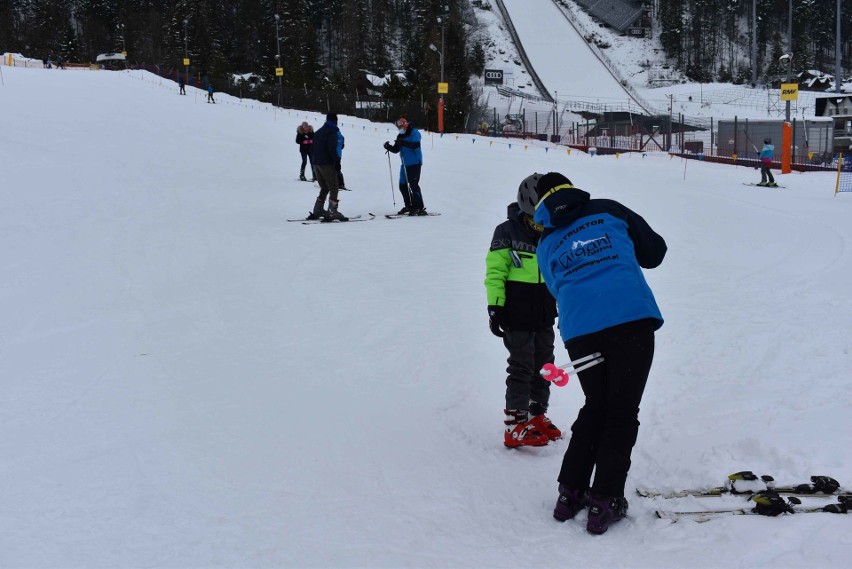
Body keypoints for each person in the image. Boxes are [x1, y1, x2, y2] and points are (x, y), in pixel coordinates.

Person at [532, 172, 666, 534]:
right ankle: (605, 500)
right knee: (620, 411)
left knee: (597, 406)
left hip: (581, 331)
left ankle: (569, 493)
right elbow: (655, 252)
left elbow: (555, 289)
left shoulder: (544, 242)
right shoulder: (609, 210)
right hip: (629, 318)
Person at [485, 173, 560, 449]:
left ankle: (536, 414)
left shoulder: (553, 232)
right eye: (533, 219)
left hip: (543, 311)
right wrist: (495, 306)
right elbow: (495, 272)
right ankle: (515, 424)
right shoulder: (505, 232)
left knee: (545, 365)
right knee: (521, 365)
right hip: (515, 313)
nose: (537, 225)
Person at [307, 112, 347, 221]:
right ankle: (332, 211)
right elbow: (332, 149)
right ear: (335, 121)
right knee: (334, 187)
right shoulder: (332, 132)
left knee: (324, 187)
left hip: (316, 163)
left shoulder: (319, 131)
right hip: (326, 163)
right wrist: (337, 162)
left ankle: (318, 210)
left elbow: (311, 148)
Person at [383, 117, 426, 215]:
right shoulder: (400, 135)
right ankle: (409, 205)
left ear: (405, 125)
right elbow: (396, 149)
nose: (399, 129)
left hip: (415, 163)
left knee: (413, 185)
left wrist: (404, 143)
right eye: (398, 127)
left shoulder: (415, 133)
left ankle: (419, 207)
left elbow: (415, 145)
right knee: (402, 185)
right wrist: (388, 147)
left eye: (400, 127)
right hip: (404, 164)